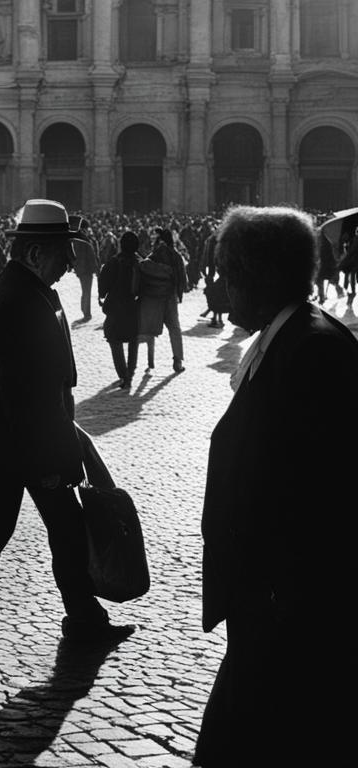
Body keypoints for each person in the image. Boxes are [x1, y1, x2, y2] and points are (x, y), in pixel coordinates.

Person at [195, 206, 358, 768]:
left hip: (288, 610)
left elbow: (324, 490)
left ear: (256, 276)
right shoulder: (287, 337)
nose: (217, 287)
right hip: (268, 603)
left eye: (226, 273)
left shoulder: (313, 349)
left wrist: (277, 594)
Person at [0, 199, 135, 663]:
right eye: (61, 253)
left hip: (12, 445)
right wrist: (50, 456)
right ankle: (77, 619)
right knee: (40, 532)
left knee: (10, 532)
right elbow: (23, 393)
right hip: (26, 447)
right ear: (33, 254)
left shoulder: (11, 289)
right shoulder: (20, 299)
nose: (70, 263)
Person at [138, 227, 187, 373]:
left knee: (151, 327)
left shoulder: (154, 255)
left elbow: (144, 272)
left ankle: (150, 361)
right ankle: (177, 361)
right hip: (170, 297)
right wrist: (179, 293)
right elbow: (183, 281)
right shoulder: (176, 256)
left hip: (154, 297)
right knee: (174, 328)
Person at [97, 231, 142, 388]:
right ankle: (130, 373)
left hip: (115, 308)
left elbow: (102, 289)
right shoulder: (140, 262)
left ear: (120, 245)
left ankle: (123, 375)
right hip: (134, 308)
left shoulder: (113, 262)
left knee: (114, 340)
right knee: (133, 340)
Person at [71, 218, 98, 321]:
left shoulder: (77, 240)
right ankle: (87, 313)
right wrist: (96, 269)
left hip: (81, 269)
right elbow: (91, 256)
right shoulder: (85, 240)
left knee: (85, 291)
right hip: (86, 269)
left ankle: (84, 310)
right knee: (87, 291)